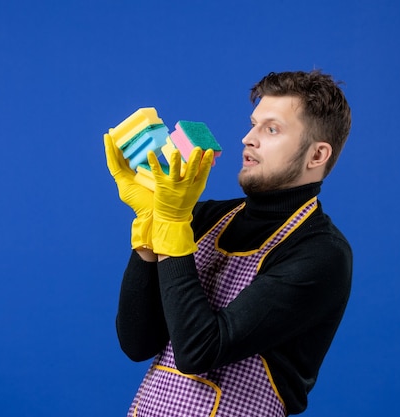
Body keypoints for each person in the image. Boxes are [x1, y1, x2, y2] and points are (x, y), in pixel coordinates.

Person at [104, 70, 353, 416]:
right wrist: (151, 222)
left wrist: (174, 224)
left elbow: (199, 352)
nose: (247, 139)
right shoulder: (204, 217)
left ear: (316, 155)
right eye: (253, 124)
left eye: (271, 129)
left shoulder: (320, 253)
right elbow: (137, 342)